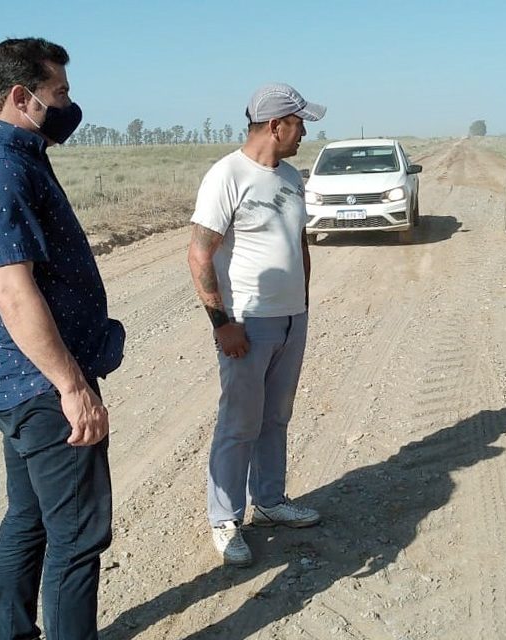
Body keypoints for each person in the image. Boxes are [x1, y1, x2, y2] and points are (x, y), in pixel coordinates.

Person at [0, 37, 125, 640]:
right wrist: (72, 387)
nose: (70, 106)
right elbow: (12, 293)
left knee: (30, 519)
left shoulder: (13, 157)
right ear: (22, 97)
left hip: (18, 381)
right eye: (60, 93)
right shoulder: (0, 172)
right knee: (76, 535)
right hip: (41, 386)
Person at [187, 83, 325, 566]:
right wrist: (222, 323)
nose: (305, 131)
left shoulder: (291, 176)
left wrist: (302, 303)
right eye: (300, 122)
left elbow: (299, 242)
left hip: (291, 320)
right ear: (275, 125)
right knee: (239, 423)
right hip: (247, 321)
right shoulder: (227, 175)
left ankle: (269, 502)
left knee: (276, 418)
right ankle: (225, 519)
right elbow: (200, 253)